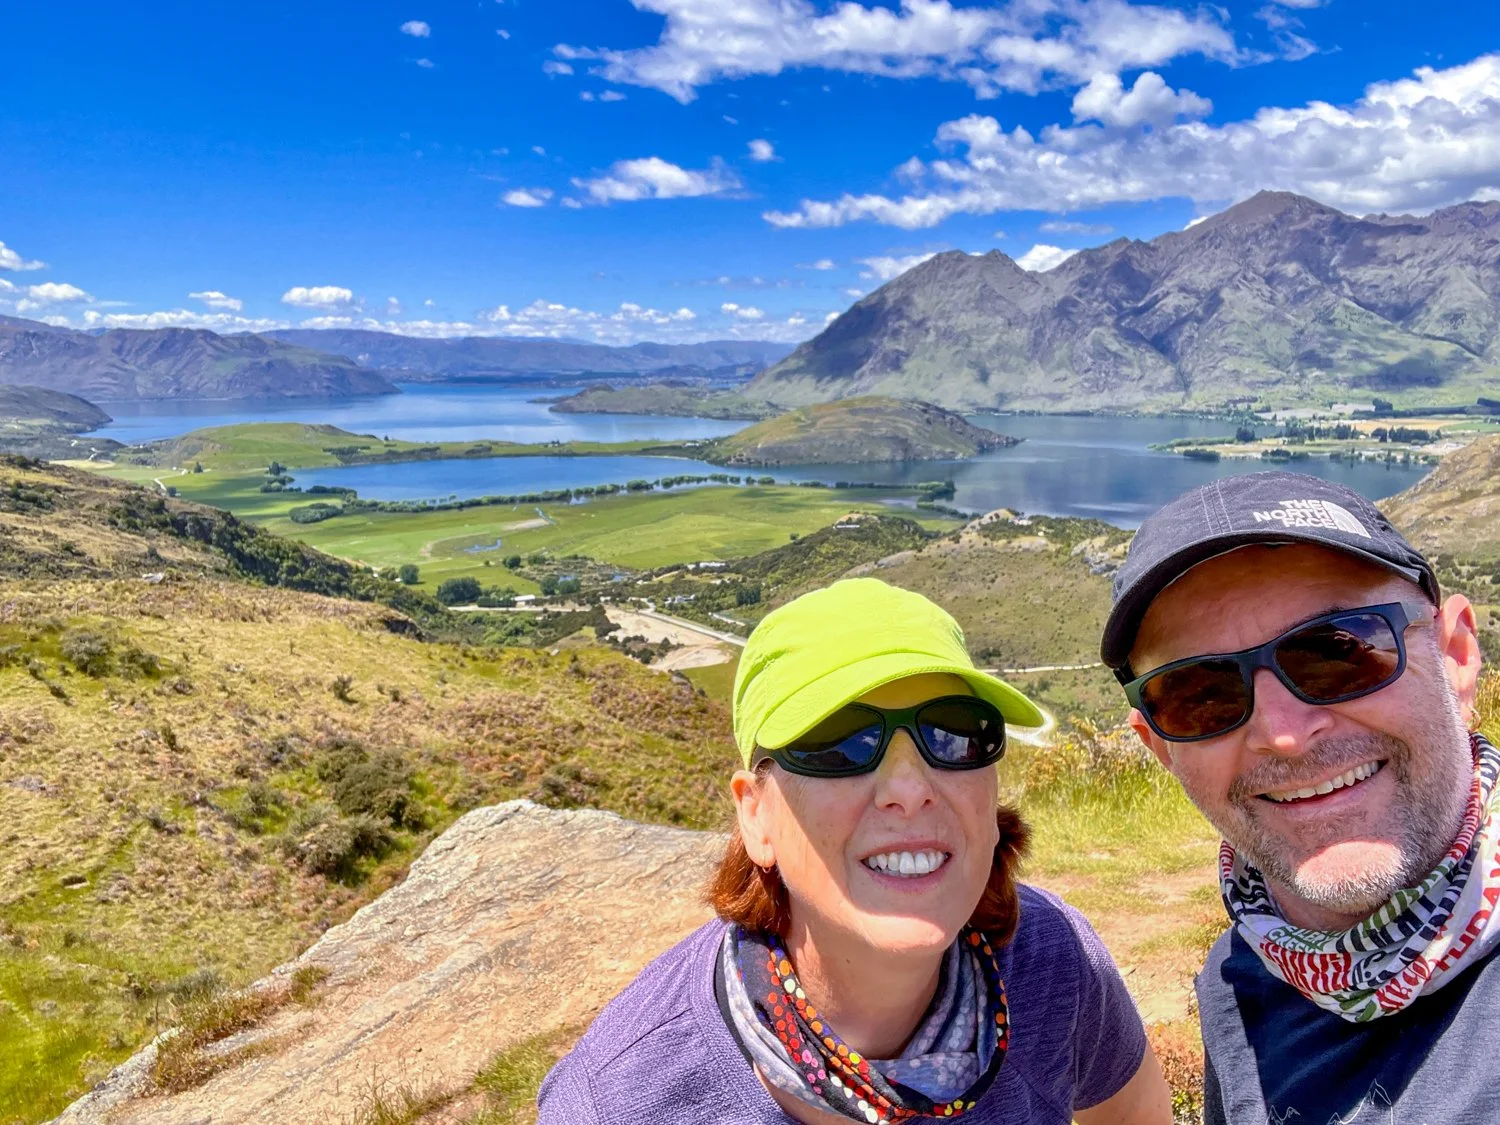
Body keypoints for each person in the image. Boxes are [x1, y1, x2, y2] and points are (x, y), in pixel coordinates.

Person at [540, 577, 1171, 1124]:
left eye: (954, 734)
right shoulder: (620, 1102)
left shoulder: (1049, 962)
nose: (909, 791)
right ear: (756, 814)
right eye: (840, 744)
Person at [1099, 471, 1494, 1124]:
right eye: (1202, 694)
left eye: (1337, 651)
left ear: (1455, 654)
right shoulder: (1239, 977)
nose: (1283, 734)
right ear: (1161, 747)